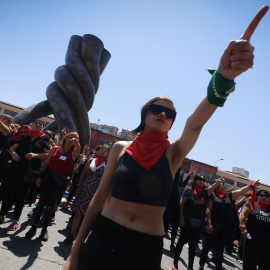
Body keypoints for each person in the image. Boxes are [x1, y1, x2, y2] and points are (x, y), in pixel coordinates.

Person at [62, 6, 268, 270]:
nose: (162, 114)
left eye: (169, 112)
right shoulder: (119, 148)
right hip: (104, 236)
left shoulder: (174, 152)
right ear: (144, 114)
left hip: (145, 249)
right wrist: (75, 253)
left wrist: (223, 79)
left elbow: (195, 123)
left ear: (172, 120)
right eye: (156, 109)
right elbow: (99, 198)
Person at [25, 132, 80, 241]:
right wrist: (40, 176)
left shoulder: (74, 153)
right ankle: (34, 226)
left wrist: (76, 142)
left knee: (50, 205)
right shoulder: (55, 148)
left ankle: (44, 229)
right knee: (41, 203)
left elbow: (78, 150)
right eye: (70, 136)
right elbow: (46, 162)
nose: (72, 139)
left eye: (75, 138)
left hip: (59, 183)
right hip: (48, 178)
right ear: (65, 138)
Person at [198, 179, 260, 270]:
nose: (224, 185)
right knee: (207, 246)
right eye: (222, 184)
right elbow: (208, 210)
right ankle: (201, 265)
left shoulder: (229, 195)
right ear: (217, 185)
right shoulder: (212, 195)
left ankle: (218, 267)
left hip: (225, 226)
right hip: (213, 224)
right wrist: (209, 223)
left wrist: (252, 185)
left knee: (220, 248)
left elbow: (241, 191)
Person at [0, 119, 50, 230]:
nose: (37, 124)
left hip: (29, 171)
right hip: (15, 168)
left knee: (20, 195)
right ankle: (1, 215)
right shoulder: (24, 136)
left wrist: (35, 154)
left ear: (42, 127)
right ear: (32, 125)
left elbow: (47, 154)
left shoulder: (44, 138)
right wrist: (13, 154)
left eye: (40, 124)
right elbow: (12, 148)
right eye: (36, 123)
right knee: (7, 191)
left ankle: (15, 220)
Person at [172, 175, 225, 270]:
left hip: (198, 224)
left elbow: (212, 188)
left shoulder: (205, 192)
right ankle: (175, 263)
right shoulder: (188, 190)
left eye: (203, 180)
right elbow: (181, 203)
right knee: (180, 243)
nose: (202, 181)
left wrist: (218, 182)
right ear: (195, 180)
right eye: (200, 179)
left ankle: (190, 266)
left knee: (193, 246)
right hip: (187, 221)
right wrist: (181, 217)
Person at [63, 144, 108, 244]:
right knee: (78, 213)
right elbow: (83, 174)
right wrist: (79, 186)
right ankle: (71, 235)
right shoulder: (90, 161)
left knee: (90, 216)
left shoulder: (108, 164)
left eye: (105, 150)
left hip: (97, 193)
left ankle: (82, 239)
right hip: (85, 190)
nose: (102, 151)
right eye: (101, 149)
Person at [239, 189, 270, 270]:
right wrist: (243, 227)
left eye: (266, 196)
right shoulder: (252, 204)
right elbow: (242, 215)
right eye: (261, 196)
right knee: (250, 265)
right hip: (252, 241)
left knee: (265, 266)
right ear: (257, 196)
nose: (264, 198)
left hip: (267, 243)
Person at [163, 169, 192, 250]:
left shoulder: (181, 185)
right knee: (164, 224)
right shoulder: (172, 183)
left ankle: (172, 244)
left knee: (175, 227)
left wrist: (189, 176)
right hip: (169, 207)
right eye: (179, 174)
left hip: (177, 209)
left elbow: (184, 183)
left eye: (181, 175)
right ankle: (160, 242)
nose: (181, 175)